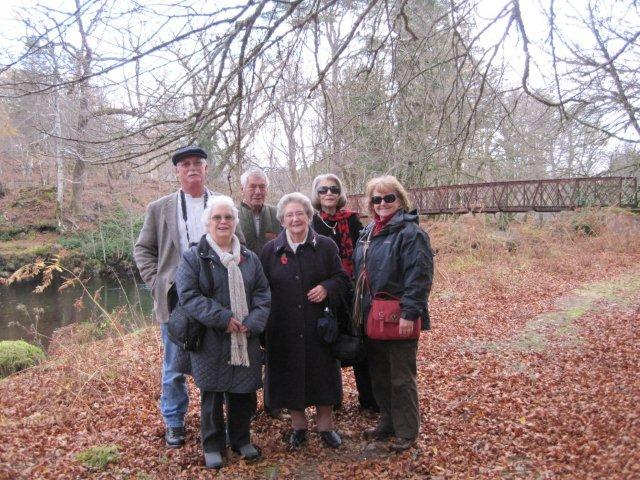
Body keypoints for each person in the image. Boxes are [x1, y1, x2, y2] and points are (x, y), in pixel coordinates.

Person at [134, 145, 244, 449]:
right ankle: (174, 422)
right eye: (185, 164)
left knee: (221, 358)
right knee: (174, 364)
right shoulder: (160, 208)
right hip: (176, 299)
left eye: (198, 163)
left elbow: (240, 244)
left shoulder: (222, 203)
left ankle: (222, 423)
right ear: (177, 171)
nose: (192, 168)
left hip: (218, 297)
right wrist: (157, 281)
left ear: (206, 169)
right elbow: (143, 249)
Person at [174, 195, 270, 469]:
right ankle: (213, 445)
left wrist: (253, 322)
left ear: (235, 222)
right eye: (217, 217)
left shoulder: (249, 258)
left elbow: (263, 293)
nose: (223, 222)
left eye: (228, 217)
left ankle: (241, 440)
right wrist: (223, 318)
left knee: (242, 392)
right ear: (207, 223)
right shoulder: (194, 257)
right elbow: (189, 295)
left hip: (245, 336)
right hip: (211, 338)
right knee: (212, 394)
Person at [261, 193, 350, 449]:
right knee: (289, 376)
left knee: (322, 374)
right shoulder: (270, 250)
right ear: (282, 220)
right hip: (282, 325)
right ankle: (298, 426)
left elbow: (342, 279)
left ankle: (325, 426)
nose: (295, 218)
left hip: (318, 324)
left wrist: (326, 287)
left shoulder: (325, 245)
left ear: (309, 216)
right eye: (289, 215)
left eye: (300, 213)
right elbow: (260, 288)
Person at [352, 175, 434, 452]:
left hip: (399, 315)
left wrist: (410, 313)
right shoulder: (368, 233)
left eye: (389, 198)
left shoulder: (411, 234)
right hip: (372, 315)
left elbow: (419, 276)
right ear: (370, 203)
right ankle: (387, 421)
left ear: (400, 199)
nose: (383, 203)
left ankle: (407, 430)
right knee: (379, 374)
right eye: (377, 199)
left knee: (401, 376)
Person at [310, 174, 378, 413]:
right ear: (316, 194)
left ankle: (369, 400)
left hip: (354, 290)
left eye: (334, 189)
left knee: (362, 344)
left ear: (340, 193)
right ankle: (331, 400)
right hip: (325, 292)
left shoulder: (351, 220)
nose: (329, 193)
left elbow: (364, 253)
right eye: (323, 190)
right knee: (328, 344)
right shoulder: (311, 222)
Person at [238, 168, 281, 255]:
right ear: (242, 189)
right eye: (252, 187)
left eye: (262, 187)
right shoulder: (231, 216)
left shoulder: (277, 214)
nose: (258, 192)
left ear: (267, 190)